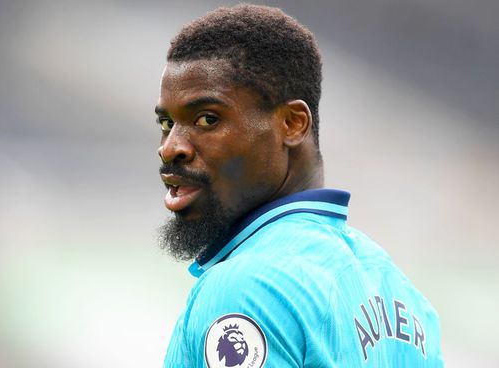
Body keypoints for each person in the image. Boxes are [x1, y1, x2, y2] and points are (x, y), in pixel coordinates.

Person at [155, 4, 443, 367]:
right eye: (167, 123)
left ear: (292, 124)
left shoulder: (247, 287)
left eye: (207, 119)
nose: (170, 147)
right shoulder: (397, 289)